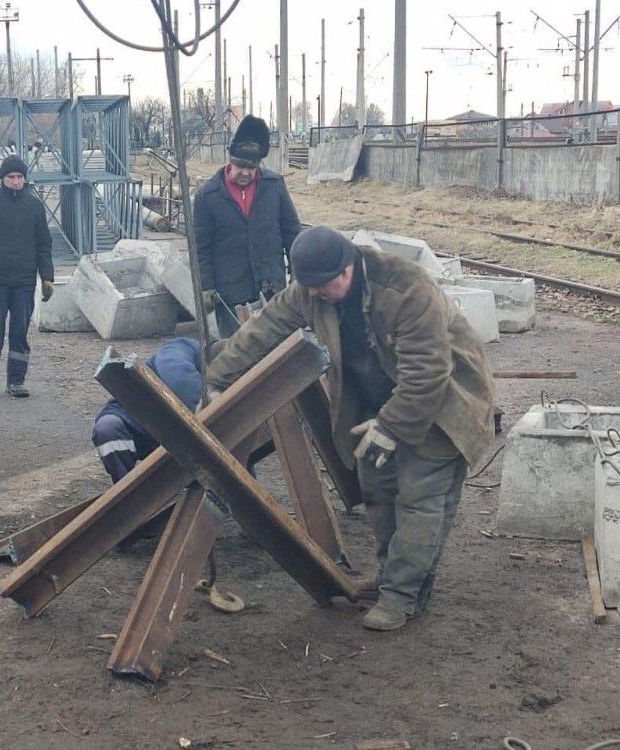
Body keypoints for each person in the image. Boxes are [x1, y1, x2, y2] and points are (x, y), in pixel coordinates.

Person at [207, 226, 495, 631]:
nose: (317, 296)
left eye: (325, 286)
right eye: (310, 289)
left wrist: (391, 426)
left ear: (347, 269)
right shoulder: (312, 288)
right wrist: (218, 377)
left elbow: (428, 373)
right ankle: (391, 575)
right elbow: (265, 326)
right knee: (378, 489)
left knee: (420, 499)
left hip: (443, 406)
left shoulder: (408, 289)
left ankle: (402, 596)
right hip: (378, 402)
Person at [193, 115, 302, 338]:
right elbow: (200, 245)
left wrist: (298, 272)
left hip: (271, 286)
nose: (246, 172)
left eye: (251, 167)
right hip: (230, 291)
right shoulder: (209, 195)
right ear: (230, 160)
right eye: (240, 166)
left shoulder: (274, 185)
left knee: (278, 349)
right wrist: (205, 286)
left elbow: (292, 231)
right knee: (236, 353)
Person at [0, 155, 53, 400]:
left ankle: (16, 381)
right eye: (10, 177)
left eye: (19, 177)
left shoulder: (35, 206)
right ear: (2, 179)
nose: (15, 181)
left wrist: (47, 277)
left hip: (24, 282)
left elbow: (44, 244)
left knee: (19, 332)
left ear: (25, 179)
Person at [92, 337, 203, 483]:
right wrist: (205, 410)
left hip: (177, 434)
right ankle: (125, 491)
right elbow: (179, 379)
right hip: (138, 419)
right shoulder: (183, 347)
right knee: (108, 428)